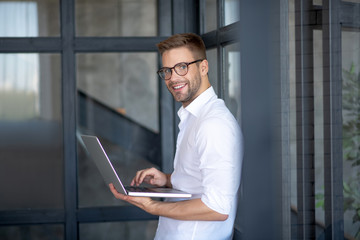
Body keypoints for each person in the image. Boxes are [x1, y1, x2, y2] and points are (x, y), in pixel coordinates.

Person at [109, 33, 243, 240]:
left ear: (204, 67)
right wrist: (168, 180)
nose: (173, 78)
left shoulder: (213, 124)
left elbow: (217, 208)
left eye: (182, 67)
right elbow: (200, 180)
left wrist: (153, 207)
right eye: (167, 71)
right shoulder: (194, 118)